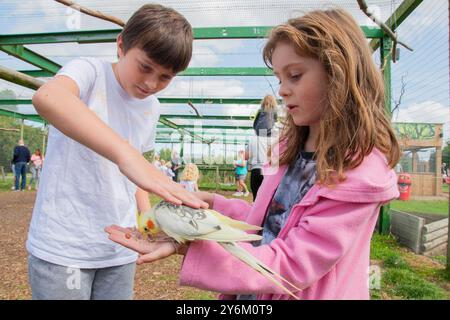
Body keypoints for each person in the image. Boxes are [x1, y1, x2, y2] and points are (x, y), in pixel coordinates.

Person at [106, 9, 400, 300]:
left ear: (338, 74)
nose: (283, 90)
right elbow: (268, 220)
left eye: (295, 76)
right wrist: (211, 203)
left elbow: (294, 264)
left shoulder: (360, 175)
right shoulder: (284, 150)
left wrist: (188, 245)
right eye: (279, 78)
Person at [26, 4, 207, 300]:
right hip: (64, 248)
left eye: (165, 77)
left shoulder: (152, 107)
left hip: (119, 247)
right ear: (121, 45)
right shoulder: (89, 72)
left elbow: (136, 177)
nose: (151, 83)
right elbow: (48, 97)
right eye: (145, 66)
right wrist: (126, 155)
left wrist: (146, 217)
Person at [246, 95, 279, 201]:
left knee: (256, 200)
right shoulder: (277, 138)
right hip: (270, 172)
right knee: (269, 201)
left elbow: (246, 156)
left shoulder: (253, 138)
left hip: (256, 170)